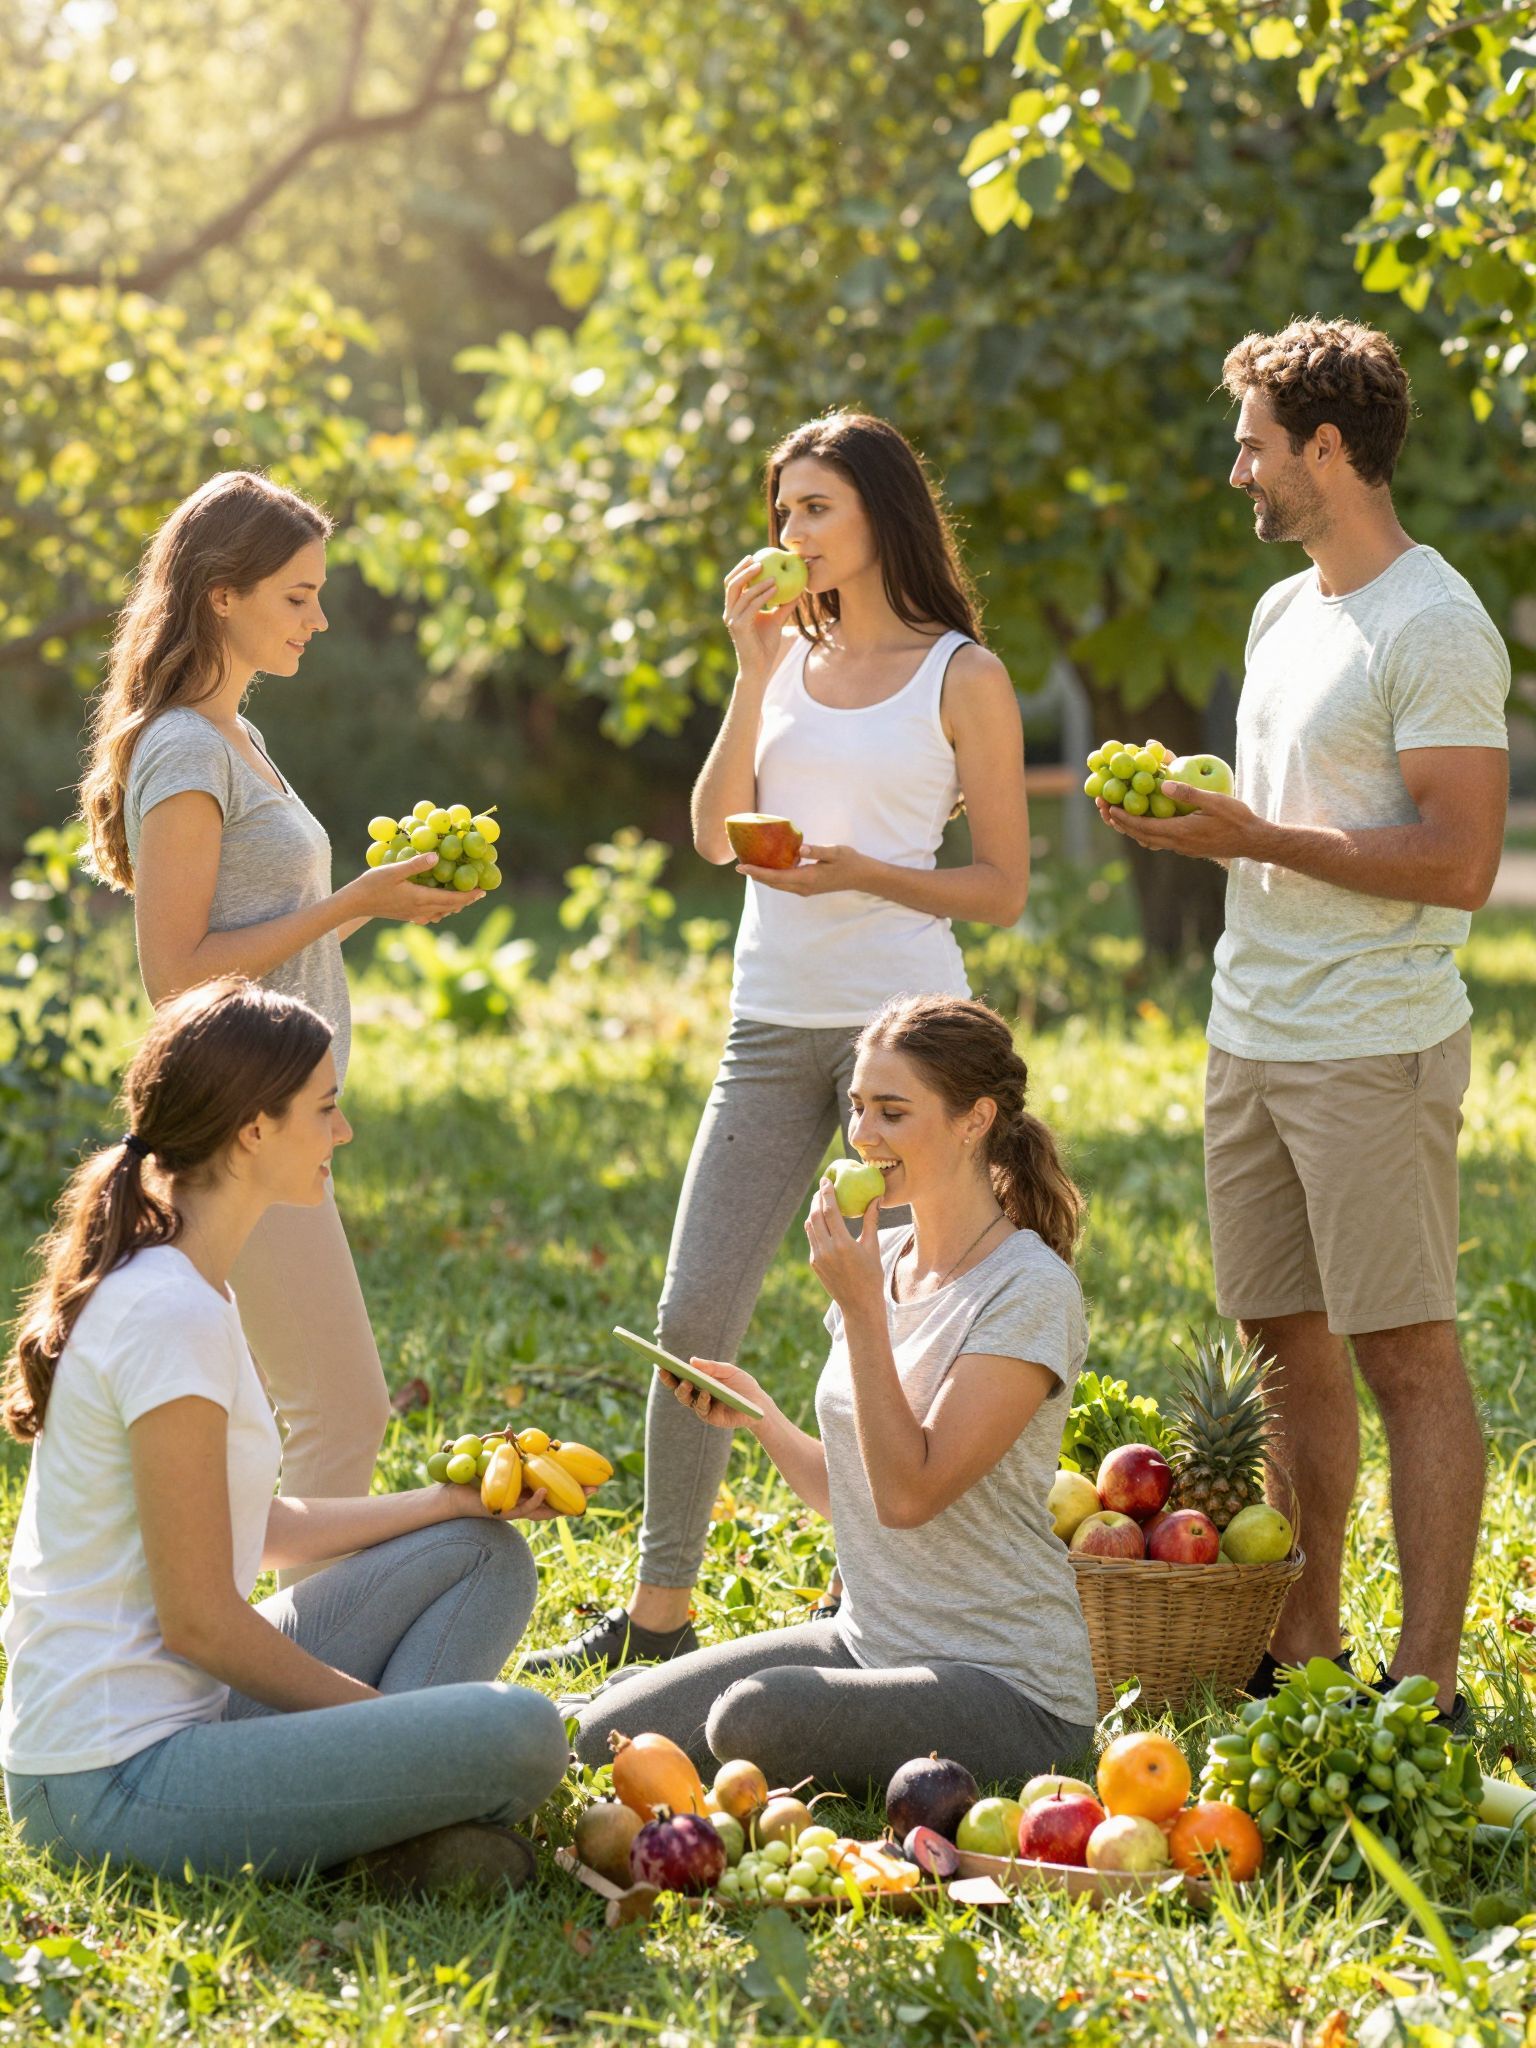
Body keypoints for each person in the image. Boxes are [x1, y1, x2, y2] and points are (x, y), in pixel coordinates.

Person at [526, 414, 1032, 1679]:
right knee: (697, 1309)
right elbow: (711, 834)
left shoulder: (961, 674)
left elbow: (1004, 886)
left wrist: (863, 870)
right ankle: (659, 1609)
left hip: (908, 1037)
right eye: (783, 512)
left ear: (879, 515)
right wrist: (752, 670)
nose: (791, 534)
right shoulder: (785, 661)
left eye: (815, 509)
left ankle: (928, 1604)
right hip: (769, 1022)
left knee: (926, 1327)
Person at [1101, 318, 1510, 1734]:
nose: (1238, 473)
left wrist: (1257, 831)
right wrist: (1205, 828)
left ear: (1327, 448)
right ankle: (1310, 1647)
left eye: (1255, 445)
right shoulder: (1289, 615)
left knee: (1406, 1350)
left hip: (1372, 1040)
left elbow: (1458, 863)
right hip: (1254, 1027)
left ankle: (1432, 1681)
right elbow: (1290, 828)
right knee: (1283, 1346)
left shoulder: (1435, 622)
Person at [1, 979, 570, 1888]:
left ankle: (394, 1816)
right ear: (254, 1130)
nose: (342, 1133)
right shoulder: (166, 1314)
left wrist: (442, 1502)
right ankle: (403, 1808)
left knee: (478, 1551)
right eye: (327, 1108)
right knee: (521, 1731)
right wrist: (382, 1727)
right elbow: (199, 1623)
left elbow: (249, 1529)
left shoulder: (193, 1286)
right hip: (109, 1780)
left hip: (190, 1718)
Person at [78, 471, 482, 1577]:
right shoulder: (185, 748)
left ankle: (250, 1642)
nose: (319, 618)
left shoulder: (236, 733)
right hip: (239, 1126)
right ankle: (300, 1664)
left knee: (273, 1411)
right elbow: (179, 973)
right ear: (221, 594)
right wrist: (351, 900)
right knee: (344, 1406)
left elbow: (266, 935)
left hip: (283, 1116)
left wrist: (369, 906)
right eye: (297, 596)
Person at [564, 995, 1099, 1790]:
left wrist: (862, 1313)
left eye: (891, 1111)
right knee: (603, 1730)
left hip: (1008, 1689)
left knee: (750, 1718)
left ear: (973, 1119)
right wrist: (764, 1420)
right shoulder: (881, 1259)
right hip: (868, 1642)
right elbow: (853, 1489)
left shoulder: (1028, 1290)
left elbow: (910, 1493)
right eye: (857, 1108)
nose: (862, 1136)